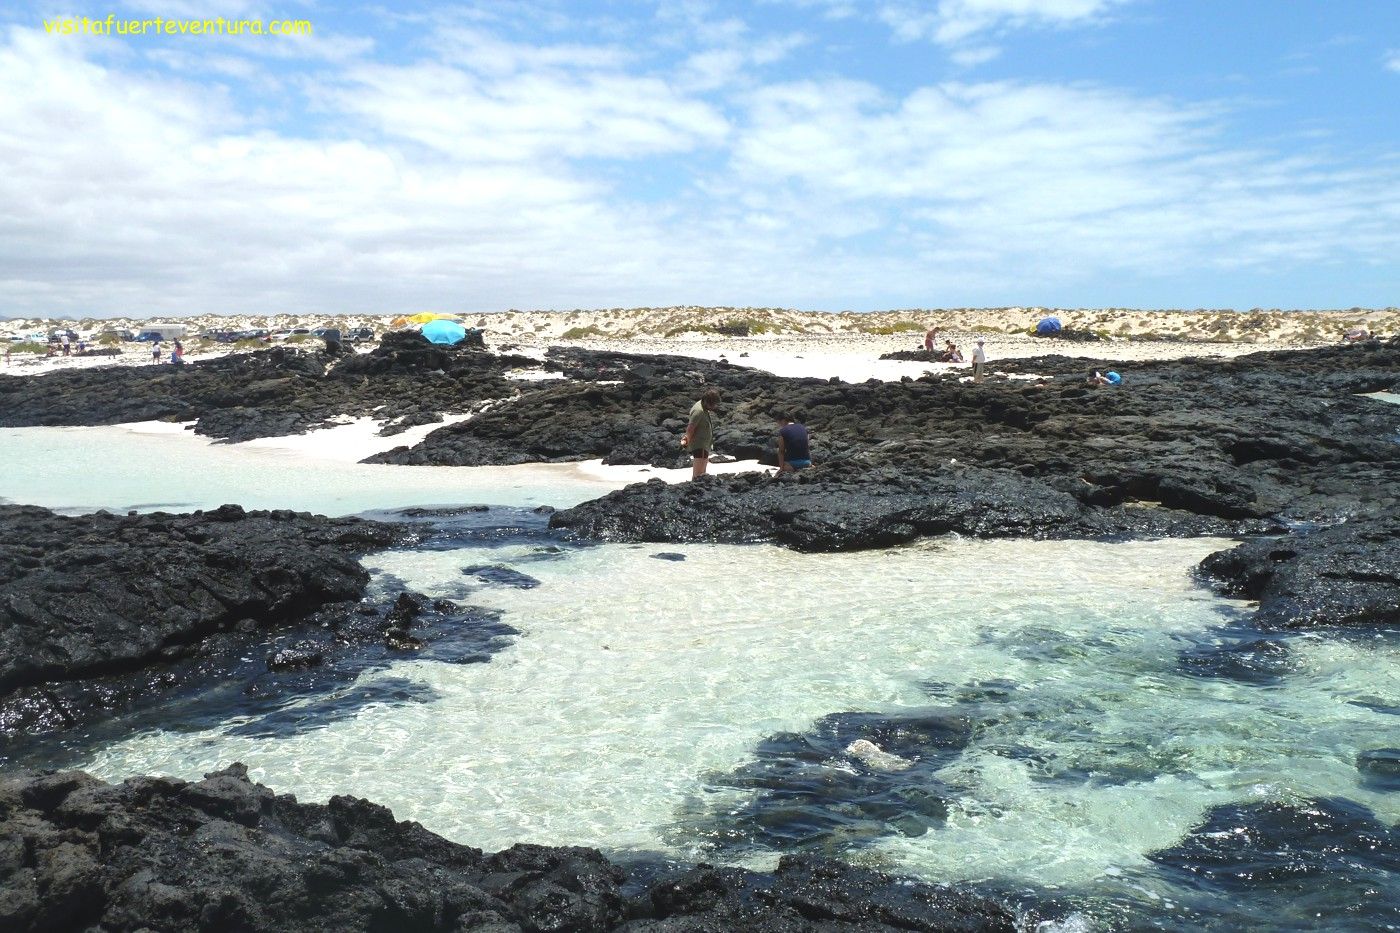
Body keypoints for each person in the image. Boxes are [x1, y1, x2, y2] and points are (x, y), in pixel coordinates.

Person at [682, 389, 721, 479]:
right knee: (699, 475)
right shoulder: (699, 411)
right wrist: (686, 440)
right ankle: (695, 489)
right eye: (713, 404)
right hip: (700, 445)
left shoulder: (703, 407)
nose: (714, 407)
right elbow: (691, 428)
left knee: (702, 474)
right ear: (708, 402)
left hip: (704, 445)